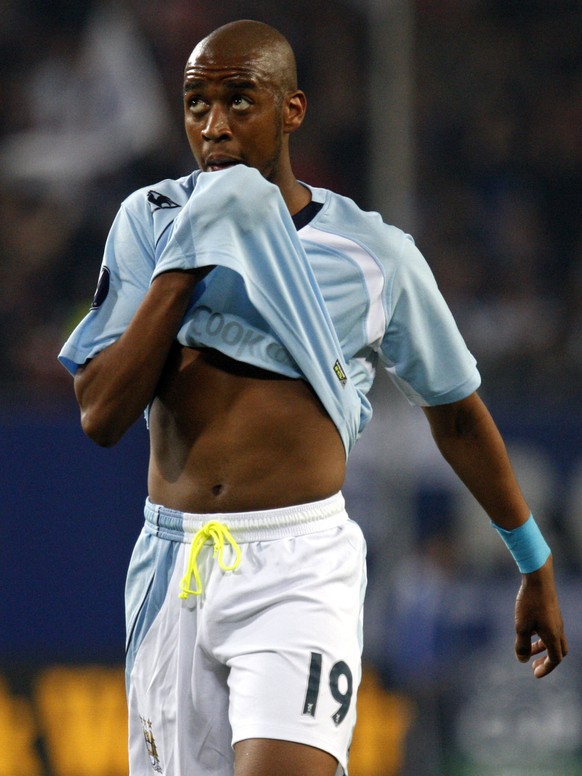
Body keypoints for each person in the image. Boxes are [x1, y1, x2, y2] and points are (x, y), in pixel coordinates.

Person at [58, 19, 567, 776]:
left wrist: (535, 564)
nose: (214, 125)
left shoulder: (373, 256)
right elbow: (101, 415)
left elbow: (456, 414)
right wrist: (189, 256)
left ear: (291, 111)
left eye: (239, 101)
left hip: (296, 566)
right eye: (197, 104)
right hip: (173, 567)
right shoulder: (151, 222)